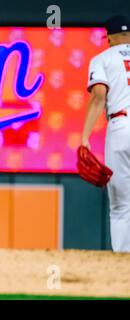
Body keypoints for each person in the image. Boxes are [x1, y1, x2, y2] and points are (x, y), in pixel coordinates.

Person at [81, 15, 130, 252]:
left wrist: (84, 137)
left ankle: (122, 267)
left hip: (121, 128)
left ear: (108, 38)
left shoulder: (103, 58)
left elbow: (99, 95)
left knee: (121, 207)